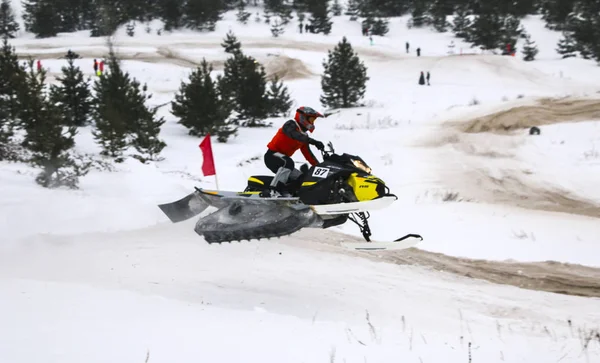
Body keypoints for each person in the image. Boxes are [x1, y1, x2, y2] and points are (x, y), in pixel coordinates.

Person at [263, 106, 325, 197]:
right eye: (311, 119)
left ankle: (291, 196)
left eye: (313, 121)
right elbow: (295, 135)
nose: (312, 123)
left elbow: (308, 155)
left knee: (302, 178)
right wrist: (313, 141)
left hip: (284, 162)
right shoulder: (290, 125)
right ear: (303, 117)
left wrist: (319, 167)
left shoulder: (304, 136)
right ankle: (274, 191)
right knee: (288, 162)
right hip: (272, 156)